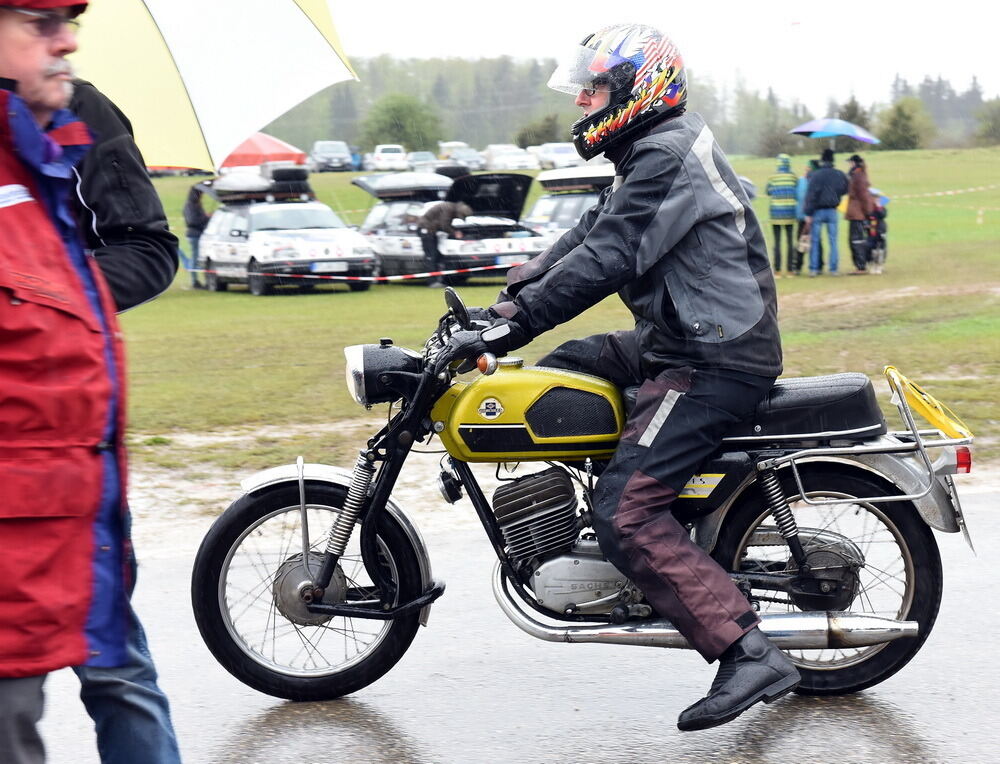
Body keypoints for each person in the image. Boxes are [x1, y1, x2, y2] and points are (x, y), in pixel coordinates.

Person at [446, 24, 799, 731]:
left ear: (641, 89)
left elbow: (609, 255)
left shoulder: (665, 153)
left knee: (626, 510)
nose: (581, 100)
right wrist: (505, 304)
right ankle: (608, 525)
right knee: (563, 374)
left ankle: (746, 649)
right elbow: (585, 236)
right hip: (677, 337)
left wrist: (511, 327)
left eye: (595, 87)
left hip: (714, 356)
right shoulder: (650, 151)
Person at [0, 3, 181, 763]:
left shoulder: (79, 108)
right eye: (39, 21)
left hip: (69, 458)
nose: (66, 40)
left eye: (66, 22)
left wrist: (59, 296)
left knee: (118, 669)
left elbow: (146, 247)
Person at [803, 147, 848, 276]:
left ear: (822, 160)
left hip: (817, 211)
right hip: (832, 210)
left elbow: (811, 195)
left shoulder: (816, 175)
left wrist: (808, 213)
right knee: (833, 240)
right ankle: (833, 269)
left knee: (815, 241)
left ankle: (814, 268)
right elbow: (845, 188)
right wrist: (835, 195)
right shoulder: (839, 174)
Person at [416, 200, 472, 287]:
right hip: (426, 230)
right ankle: (432, 282)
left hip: (430, 231)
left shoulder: (450, 207)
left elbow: (444, 225)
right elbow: (444, 225)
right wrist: (454, 232)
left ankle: (439, 280)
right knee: (431, 256)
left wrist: (453, 230)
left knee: (436, 256)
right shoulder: (448, 209)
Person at [764, 153, 797, 277]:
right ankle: (790, 270)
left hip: (776, 214)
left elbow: (768, 191)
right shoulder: (793, 177)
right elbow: (796, 189)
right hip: (790, 213)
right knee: (789, 242)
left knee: (777, 242)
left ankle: (777, 270)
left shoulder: (773, 177)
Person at [845, 154, 875, 275]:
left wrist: (868, 213)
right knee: (855, 240)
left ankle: (861, 266)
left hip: (858, 213)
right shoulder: (856, 174)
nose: (849, 165)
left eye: (850, 162)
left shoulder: (858, 175)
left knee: (856, 240)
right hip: (856, 213)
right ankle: (861, 264)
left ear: (854, 163)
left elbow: (863, 196)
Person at [181, 181, 212, 288]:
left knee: (198, 258)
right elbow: (192, 221)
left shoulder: (195, 205)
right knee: (195, 258)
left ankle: (199, 280)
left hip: (198, 234)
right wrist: (206, 218)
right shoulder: (190, 205)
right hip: (194, 235)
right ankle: (195, 281)